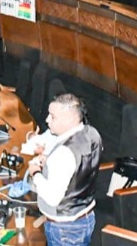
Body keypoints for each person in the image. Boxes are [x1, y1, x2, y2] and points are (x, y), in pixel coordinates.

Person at [27, 93, 102, 246]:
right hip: (86, 217)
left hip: (64, 229)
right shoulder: (93, 134)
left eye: (53, 117)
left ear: (71, 119)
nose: (47, 120)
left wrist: (35, 172)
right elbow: (78, 166)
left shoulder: (63, 153)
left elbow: (52, 197)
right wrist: (49, 161)